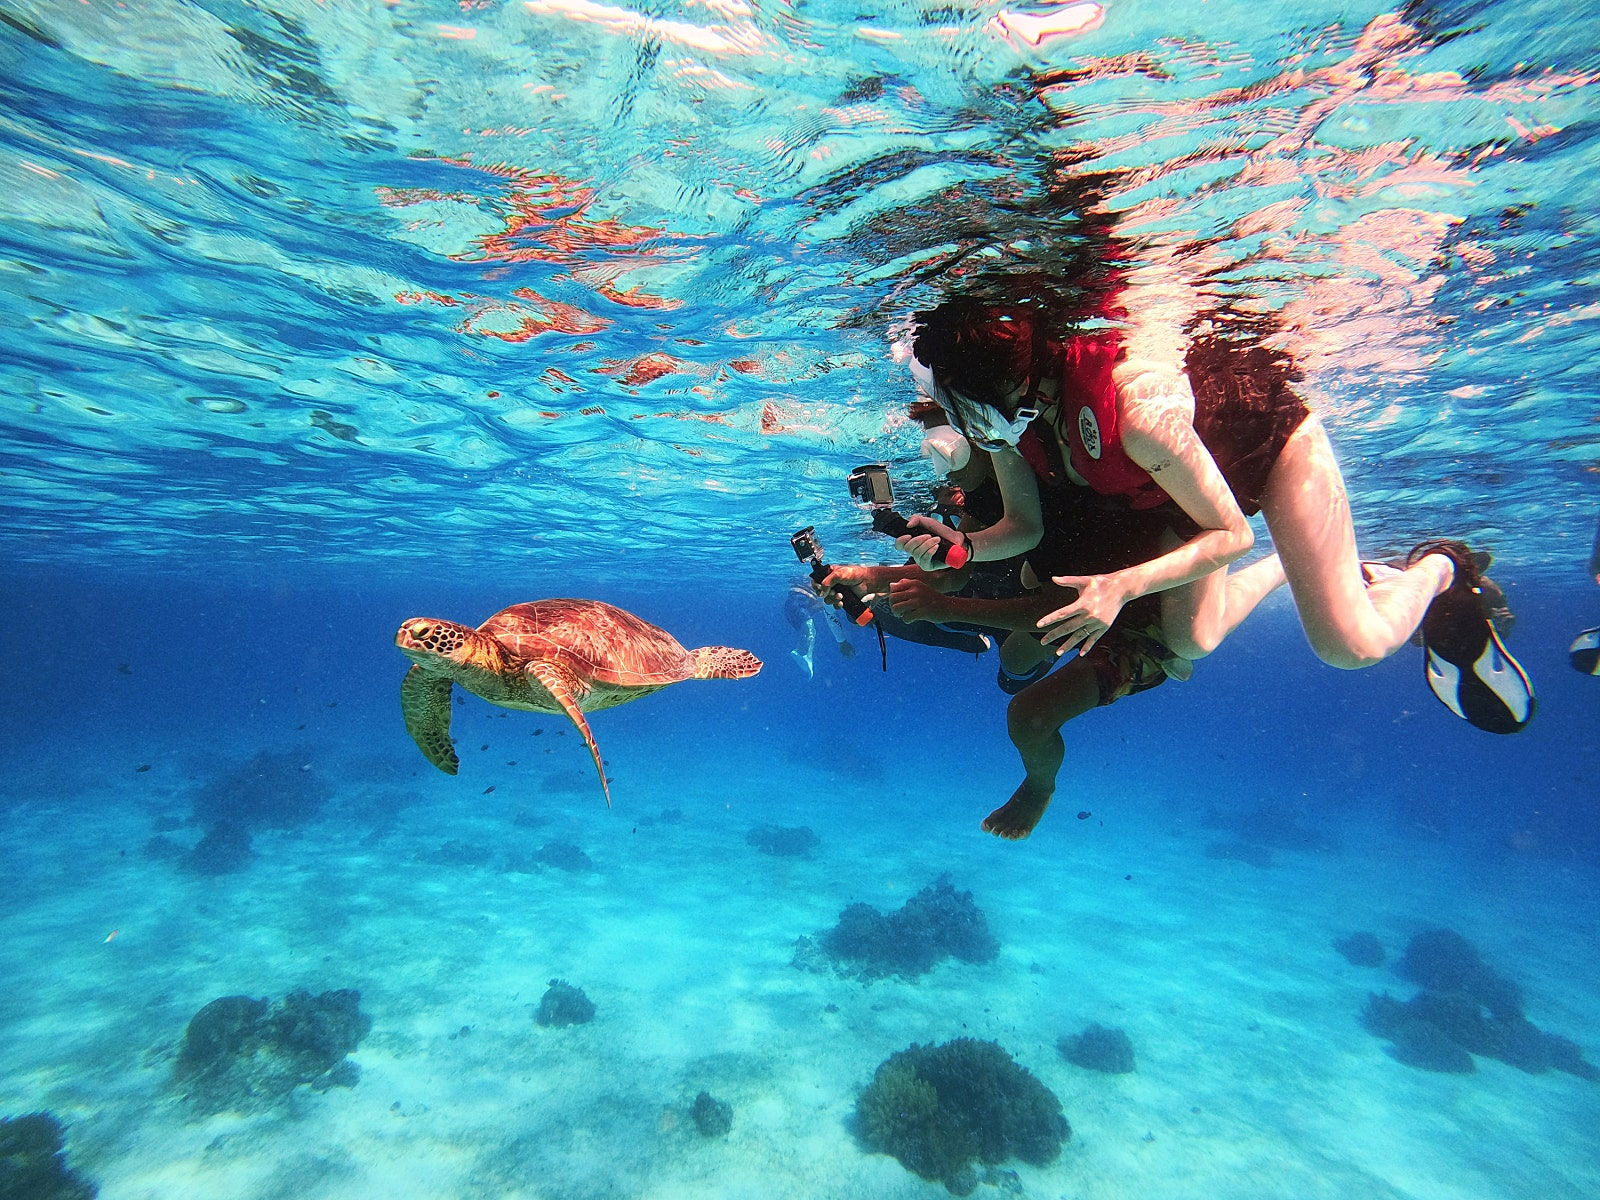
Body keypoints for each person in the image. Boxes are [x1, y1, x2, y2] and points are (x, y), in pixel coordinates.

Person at [894, 293, 1535, 737]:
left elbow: (1232, 534)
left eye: (970, 414)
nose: (968, 432)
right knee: (1192, 639)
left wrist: (1123, 585)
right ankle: (1308, 567)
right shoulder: (1013, 421)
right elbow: (1024, 529)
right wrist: (964, 546)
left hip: (1264, 450)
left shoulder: (1137, 413)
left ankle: (1436, 568)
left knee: (1350, 645)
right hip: (1187, 493)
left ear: (1015, 384)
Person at [823, 417, 1206, 839]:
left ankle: (1040, 784)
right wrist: (867, 574)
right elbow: (953, 571)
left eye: (947, 447)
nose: (940, 474)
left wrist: (944, 607)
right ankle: (1022, 663)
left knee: (1028, 714)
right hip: (1065, 603)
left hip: (1141, 621)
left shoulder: (1047, 494)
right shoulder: (984, 494)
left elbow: (1064, 605)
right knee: (1016, 663)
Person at [785, 577, 855, 678]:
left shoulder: (813, 595)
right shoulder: (820, 590)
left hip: (794, 606)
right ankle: (804, 654)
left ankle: (801, 652)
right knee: (810, 631)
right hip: (796, 606)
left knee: (809, 631)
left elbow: (820, 606)